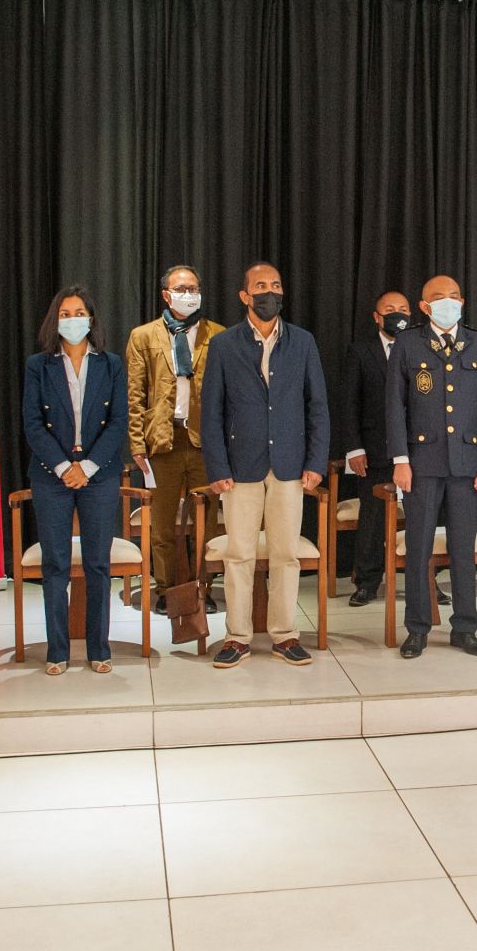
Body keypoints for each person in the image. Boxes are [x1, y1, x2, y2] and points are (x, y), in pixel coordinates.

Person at [200, 262, 330, 668]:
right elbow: (211, 411)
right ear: (245, 296)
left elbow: (317, 406)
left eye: (275, 285)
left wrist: (316, 461)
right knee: (239, 554)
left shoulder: (302, 342)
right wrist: (217, 466)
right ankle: (237, 637)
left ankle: (284, 634)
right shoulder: (224, 344)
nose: (269, 293)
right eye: (260, 286)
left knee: (285, 554)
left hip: (290, 464)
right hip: (239, 467)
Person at [388, 276, 477, 656]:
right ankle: (417, 628)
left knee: (463, 549)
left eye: (454, 296)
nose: (448, 303)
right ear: (424, 306)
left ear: (463, 301)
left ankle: (465, 627)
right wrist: (400, 460)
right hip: (421, 463)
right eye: (438, 298)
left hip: (467, 462)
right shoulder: (408, 343)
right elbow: (395, 406)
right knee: (418, 547)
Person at [23, 287, 129, 675]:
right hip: (51, 475)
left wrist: (88, 467)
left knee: (98, 563)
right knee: (55, 565)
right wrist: (63, 466)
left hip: (99, 474)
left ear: (91, 319)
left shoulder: (111, 364)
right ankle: (57, 651)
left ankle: (99, 648)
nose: (72, 320)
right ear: (55, 320)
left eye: (79, 312)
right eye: (65, 314)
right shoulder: (39, 365)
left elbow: (118, 421)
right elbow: (33, 423)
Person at [126, 265, 223, 612]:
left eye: (194, 288)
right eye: (181, 289)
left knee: (206, 523)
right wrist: (137, 443)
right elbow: (135, 394)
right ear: (166, 294)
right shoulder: (143, 336)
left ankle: (202, 588)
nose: (189, 294)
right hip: (162, 440)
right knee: (163, 525)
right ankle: (166, 589)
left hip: (204, 442)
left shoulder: (218, 335)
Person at [339, 291, 411, 606]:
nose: (398, 314)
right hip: (373, 450)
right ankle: (368, 582)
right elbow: (349, 402)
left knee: (422, 517)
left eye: (403, 309)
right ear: (377, 317)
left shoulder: (420, 347)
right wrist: (354, 448)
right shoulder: (361, 351)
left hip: (417, 450)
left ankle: (426, 579)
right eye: (390, 309)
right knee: (372, 518)